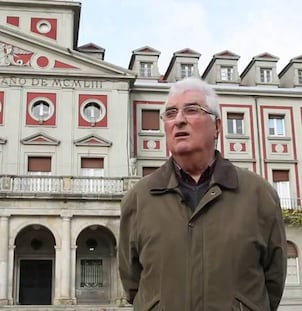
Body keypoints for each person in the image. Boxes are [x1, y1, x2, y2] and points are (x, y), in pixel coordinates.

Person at [119, 77, 287, 311]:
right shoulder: (138, 198)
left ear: (217, 127)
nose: (178, 120)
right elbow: (132, 282)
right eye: (170, 113)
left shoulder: (259, 195)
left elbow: (273, 281)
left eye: (191, 110)